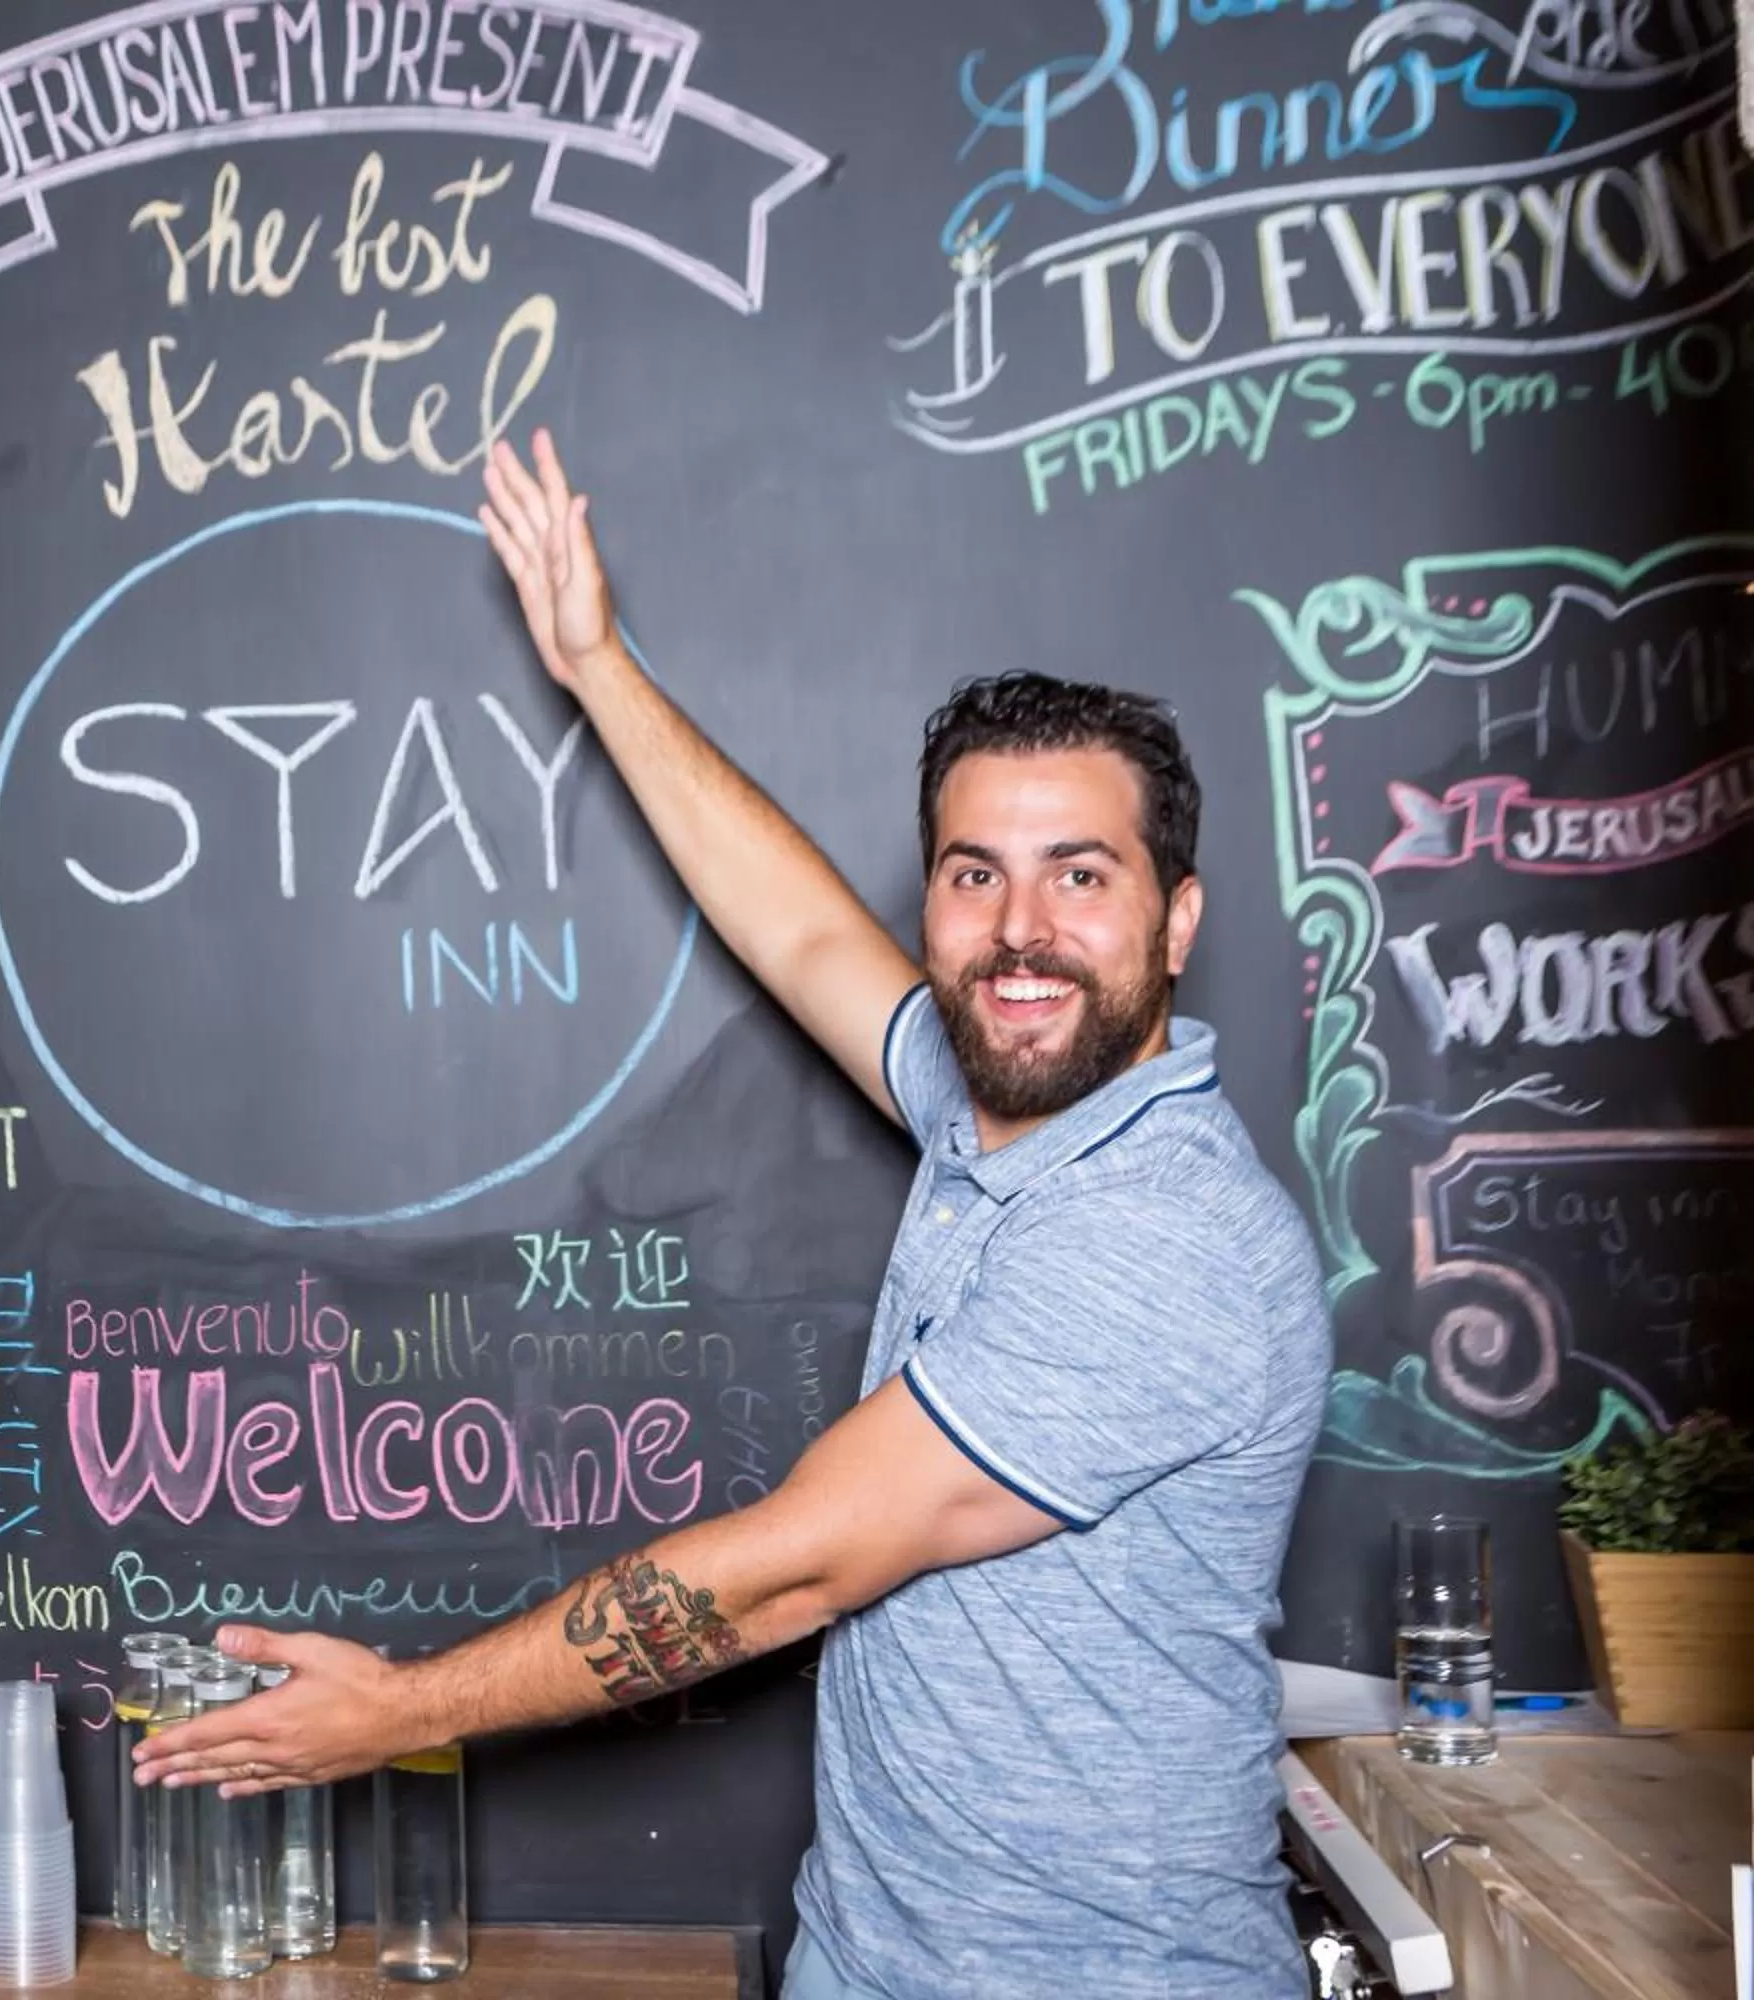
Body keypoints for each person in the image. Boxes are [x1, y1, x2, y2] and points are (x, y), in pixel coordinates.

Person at [132, 431, 1334, 1999]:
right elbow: (802, 930)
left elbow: (787, 1570)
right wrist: (595, 662)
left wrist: (397, 1711)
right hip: (872, 1956)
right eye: (974, 877)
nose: (1020, 930)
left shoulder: (1162, 1242)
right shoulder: (996, 1110)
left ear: (1177, 922)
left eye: (1080, 877)